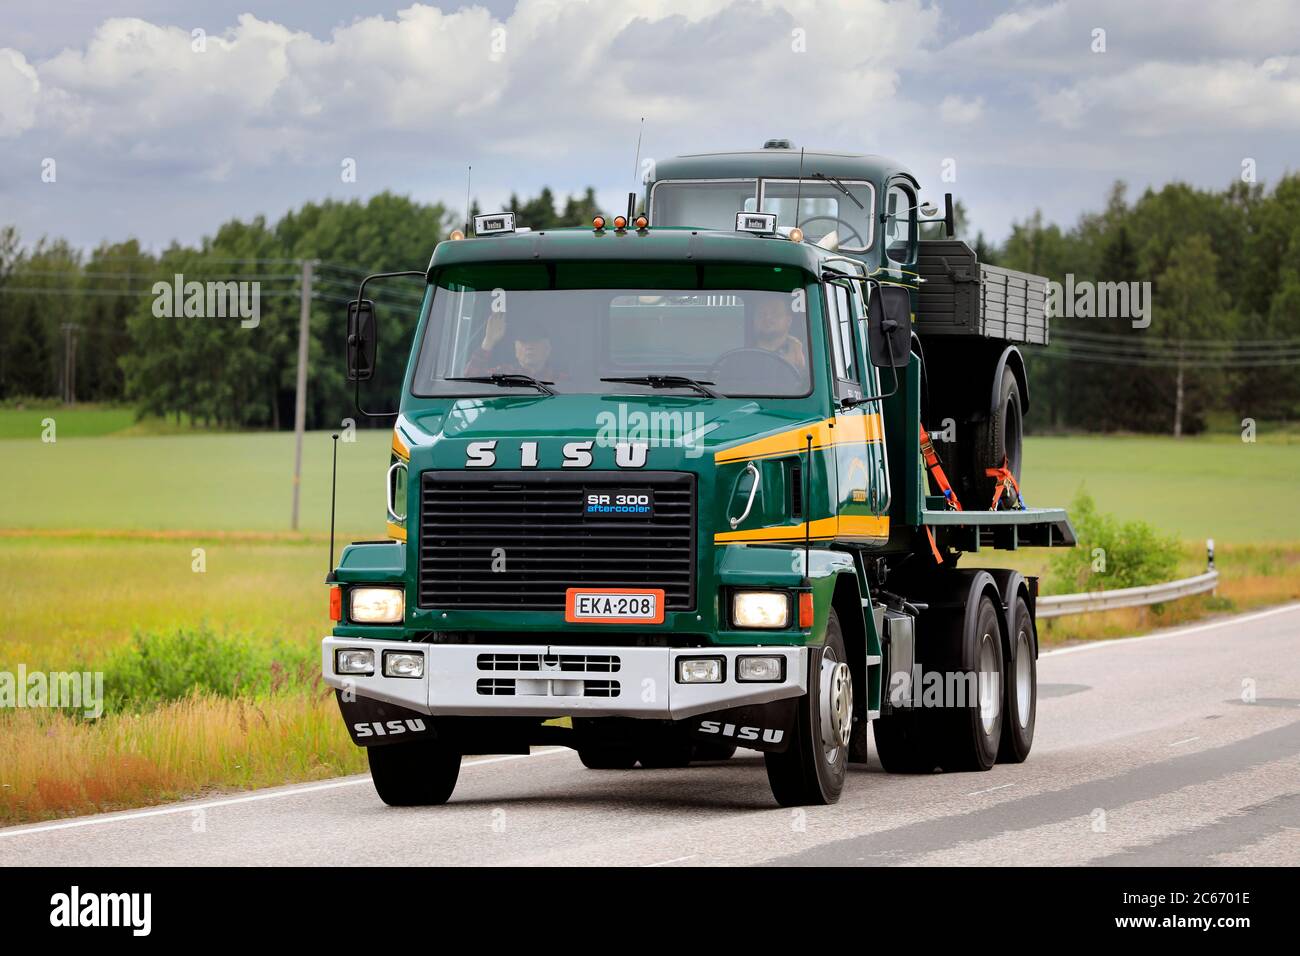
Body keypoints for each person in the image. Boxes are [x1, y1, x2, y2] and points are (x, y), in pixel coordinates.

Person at [463, 313, 563, 381]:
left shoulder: (560, 379)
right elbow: (471, 380)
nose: (529, 346)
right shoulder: (503, 374)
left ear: (547, 348)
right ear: (515, 349)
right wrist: (488, 342)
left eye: (535, 340)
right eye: (523, 341)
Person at [751, 297, 807, 371]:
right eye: (762, 313)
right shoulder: (742, 357)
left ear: (788, 321)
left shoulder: (802, 354)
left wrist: (799, 367)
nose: (768, 317)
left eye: (775, 313)